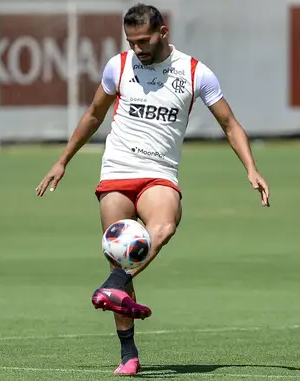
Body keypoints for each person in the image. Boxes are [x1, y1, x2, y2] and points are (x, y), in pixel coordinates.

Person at [36, 3, 270, 376]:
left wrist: (251, 168)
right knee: (121, 252)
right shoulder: (119, 66)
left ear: (163, 32)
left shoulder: (195, 73)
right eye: (131, 41)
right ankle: (128, 354)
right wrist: (63, 160)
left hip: (159, 172)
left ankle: (116, 284)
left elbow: (229, 123)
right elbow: (94, 115)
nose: (137, 48)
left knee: (163, 227)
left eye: (143, 40)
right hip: (116, 170)